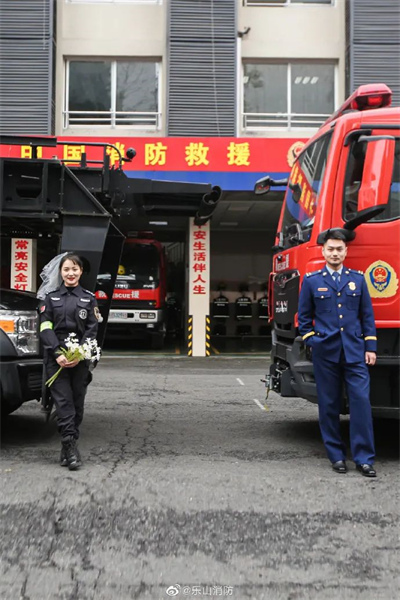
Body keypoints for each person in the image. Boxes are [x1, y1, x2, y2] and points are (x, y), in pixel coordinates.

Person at [298, 230, 377, 477]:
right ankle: (336, 456)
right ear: (323, 251)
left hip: (355, 352)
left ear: (346, 251)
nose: (334, 253)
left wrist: (371, 347)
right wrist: (314, 342)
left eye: (339, 249)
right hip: (326, 353)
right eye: (330, 249)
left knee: (361, 404)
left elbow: (367, 317)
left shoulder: (358, 279)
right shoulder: (312, 281)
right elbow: (303, 318)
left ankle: (364, 459)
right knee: (329, 405)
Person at [39, 253, 100, 470]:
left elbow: (93, 328)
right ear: (61, 272)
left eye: (74, 269)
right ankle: (70, 447)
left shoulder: (89, 298)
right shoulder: (51, 298)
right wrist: (57, 353)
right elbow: (45, 328)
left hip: (80, 360)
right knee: (64, 403)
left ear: (81, 272)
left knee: (77, 405)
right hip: (56, 359)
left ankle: (67, 447)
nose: (70, 273)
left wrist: (80, 353)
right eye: (66, 269)